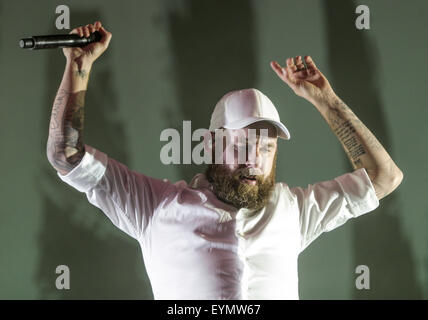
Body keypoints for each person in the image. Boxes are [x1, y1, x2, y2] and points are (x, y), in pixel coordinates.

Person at [46, 21, 403, 299]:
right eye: (243, 144)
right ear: (210, 144)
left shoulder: (293, 211)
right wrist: (79, 65)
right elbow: (66, 155)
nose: (255, 160)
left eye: (266, 148)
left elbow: (383, 176)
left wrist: (326, 101)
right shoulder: (155, 206)